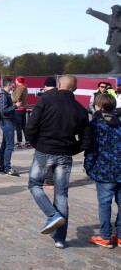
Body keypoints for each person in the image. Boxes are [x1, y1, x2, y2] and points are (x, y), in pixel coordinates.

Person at [25, 74, 92, 249]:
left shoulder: (46, 101)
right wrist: (73, 149)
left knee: (34, 184)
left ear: (59, 85)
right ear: (75, 88)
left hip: (44, 149)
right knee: (61, 194)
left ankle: (52, 215)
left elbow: (31, 126)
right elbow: (86, 139)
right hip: (64, 153)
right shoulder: (80, 109)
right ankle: (60, 239)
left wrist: (36, 143)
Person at [84, 93, 121, 248]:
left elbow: (92, 149)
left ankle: (105, 236)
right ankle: (119, 235)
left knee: (105, 203)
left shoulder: (97, 124)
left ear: (98, 106)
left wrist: (88, 166)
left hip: (104, 170)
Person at [0, 78, 23, 177]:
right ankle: (7, 167)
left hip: (7, 122)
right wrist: (15, 106)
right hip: (7, 122)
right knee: (9, 146)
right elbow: (3, 110)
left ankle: (3, 166)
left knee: (5, 145)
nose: (13, 85)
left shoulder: (5, 95)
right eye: (12, 84)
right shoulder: (3, 96)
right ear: (8, 84)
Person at [86, 5, 121, 73]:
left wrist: (115, 24)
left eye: (114, 11)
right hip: (115, 40)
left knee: (111, 53)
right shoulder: (111, 18)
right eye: (112, 11)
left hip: (119, 40)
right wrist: (92, 12)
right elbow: (101, 16)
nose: (113, 12)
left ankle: (117, 69)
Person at [39, 77, 58, 189]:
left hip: (47, 131)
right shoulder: (61, 95)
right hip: (61, 130)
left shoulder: (44, 97)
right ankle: (57, 181)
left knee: (47, 158)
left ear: (45, 86)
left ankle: (50, 181)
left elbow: (39, 117)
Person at [12, 76, 30, 149]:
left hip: (18, 109)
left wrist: (10, 99)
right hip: (23, 108)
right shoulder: (25, 88)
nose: (15, 81)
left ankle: (19, 142)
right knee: (24, 126)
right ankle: (27, 142)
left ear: (18, 81)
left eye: (16, 80)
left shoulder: (19, 88)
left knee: (18, 127)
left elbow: (16, 99)